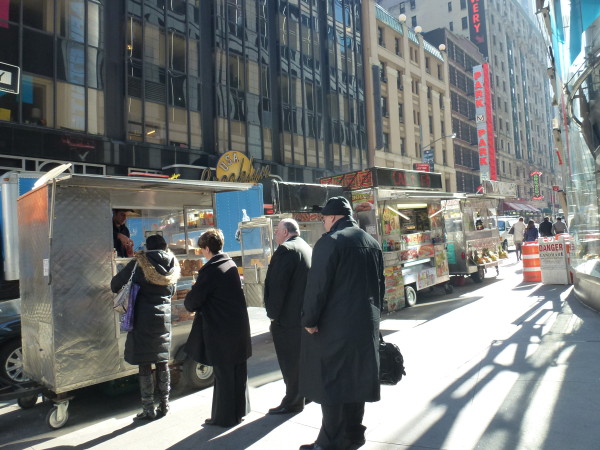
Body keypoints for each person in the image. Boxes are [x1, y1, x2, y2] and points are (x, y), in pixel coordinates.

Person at [299, 197, 385, 450]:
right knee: (356, 382)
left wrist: (310, 320)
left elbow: (317, 287)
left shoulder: (330, 242)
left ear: (334, 218)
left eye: (324, 218)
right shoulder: (371, 242)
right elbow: (380, 286)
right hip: (364, 325)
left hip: (335, 326)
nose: (323, 223)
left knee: (332, 385)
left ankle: (329, 442)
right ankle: (354, 434)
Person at [184, 228, 252, 427]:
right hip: (237, 327)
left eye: (202, 250)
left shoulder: (211, 270)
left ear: (206, 249)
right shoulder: (229, 263)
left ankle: (223, 418)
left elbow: (192, 302)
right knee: (238, 372)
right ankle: (239, 411)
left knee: (223, 375)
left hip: (221, 331)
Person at [110, 234, 181, 420]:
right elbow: (172, 291)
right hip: (163, 320)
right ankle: (165, 404)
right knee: (162, 361)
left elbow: (115, 284)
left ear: (147, 248)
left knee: (145, 364)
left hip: (142, 321)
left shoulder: (139, 263)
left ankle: (148, 408)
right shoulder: (173, 264)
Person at [264, 218, 312, 415]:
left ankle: (292, 401)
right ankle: (305, 393)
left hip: (288, 319)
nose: (275, 234)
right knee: (301, 360)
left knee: (290, 362)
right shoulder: (305, 247)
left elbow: (277, 287)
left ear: (285, 232)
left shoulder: (285, 250)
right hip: (302, 315)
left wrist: (273, 315)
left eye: (277, 230)